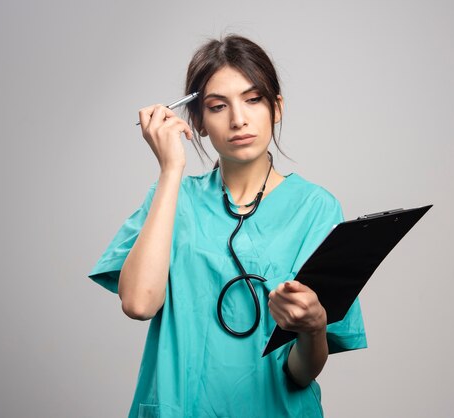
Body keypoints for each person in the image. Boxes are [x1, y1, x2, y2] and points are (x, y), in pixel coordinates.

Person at [89, 34, 367, 418]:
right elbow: (138, 303)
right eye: (218, 107)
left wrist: (315, 327)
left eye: (253, 100)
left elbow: (300, 374)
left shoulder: (316, 208)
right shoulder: (173, 198)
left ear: (277, 108)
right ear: (198, 122)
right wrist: (171, 170)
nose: (239, 120)